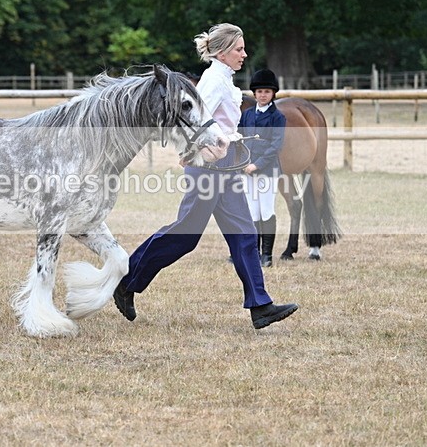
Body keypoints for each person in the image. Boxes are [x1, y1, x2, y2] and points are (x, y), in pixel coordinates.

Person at [112, 23, 298, 329]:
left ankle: (260, 306)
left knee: (245, 234)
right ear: (223, 52)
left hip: (227, 167)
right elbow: (196, 121)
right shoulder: (213, 80)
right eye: (239, 49)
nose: (244, 54)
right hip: (208, 169)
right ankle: (126, 280)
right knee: (185, 235)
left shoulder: (223, 79)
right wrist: (195, 152)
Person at [239, 69, 286, 268]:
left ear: (273, 93)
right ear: (254, 93)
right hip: (246, 170)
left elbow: (276, 145)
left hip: (266, 170)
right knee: (251, 211)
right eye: (259, 92)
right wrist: (242, 162)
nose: (262, 95)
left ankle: (267, 255)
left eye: (267, 91)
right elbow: (239, 138)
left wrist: (257, 164)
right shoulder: (247, 115)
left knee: (266, 210)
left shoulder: (278, 117)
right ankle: (254, 252)